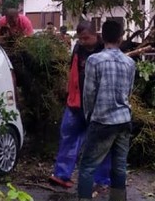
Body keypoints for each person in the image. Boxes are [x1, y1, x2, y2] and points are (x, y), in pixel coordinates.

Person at [49, 21, 112, 191]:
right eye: (81, 38)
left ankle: (103, 180)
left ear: (95, 34)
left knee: (100, 143)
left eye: (86, 38)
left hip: (98, 106)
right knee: (68, 136)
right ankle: (61, 175)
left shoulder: (105, 49)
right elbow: (73, 72)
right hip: (76, 102)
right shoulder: (78, 49)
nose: (83, 41)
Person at [77, 20, 136, 201]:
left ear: (102, 37)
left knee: (87, 166)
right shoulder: (129, 62)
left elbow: (88, 93)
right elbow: (129, 91)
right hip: (124, 120)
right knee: (119, 167)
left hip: (102, 120)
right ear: (121, 37)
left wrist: (89, 116)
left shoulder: (94, 60)